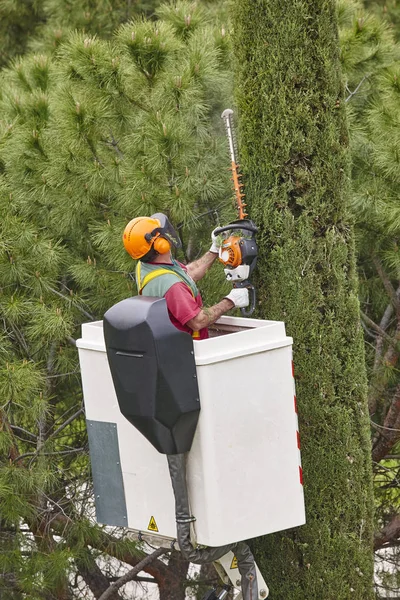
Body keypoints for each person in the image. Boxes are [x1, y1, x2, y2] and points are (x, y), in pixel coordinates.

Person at [122, 213, 249, 339]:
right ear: (160, 244)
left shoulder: (148, 265)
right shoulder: (171, 285)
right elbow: (198, 321)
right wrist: (231, 301)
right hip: (190, 351)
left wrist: (214, 250)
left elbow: (188, 274)